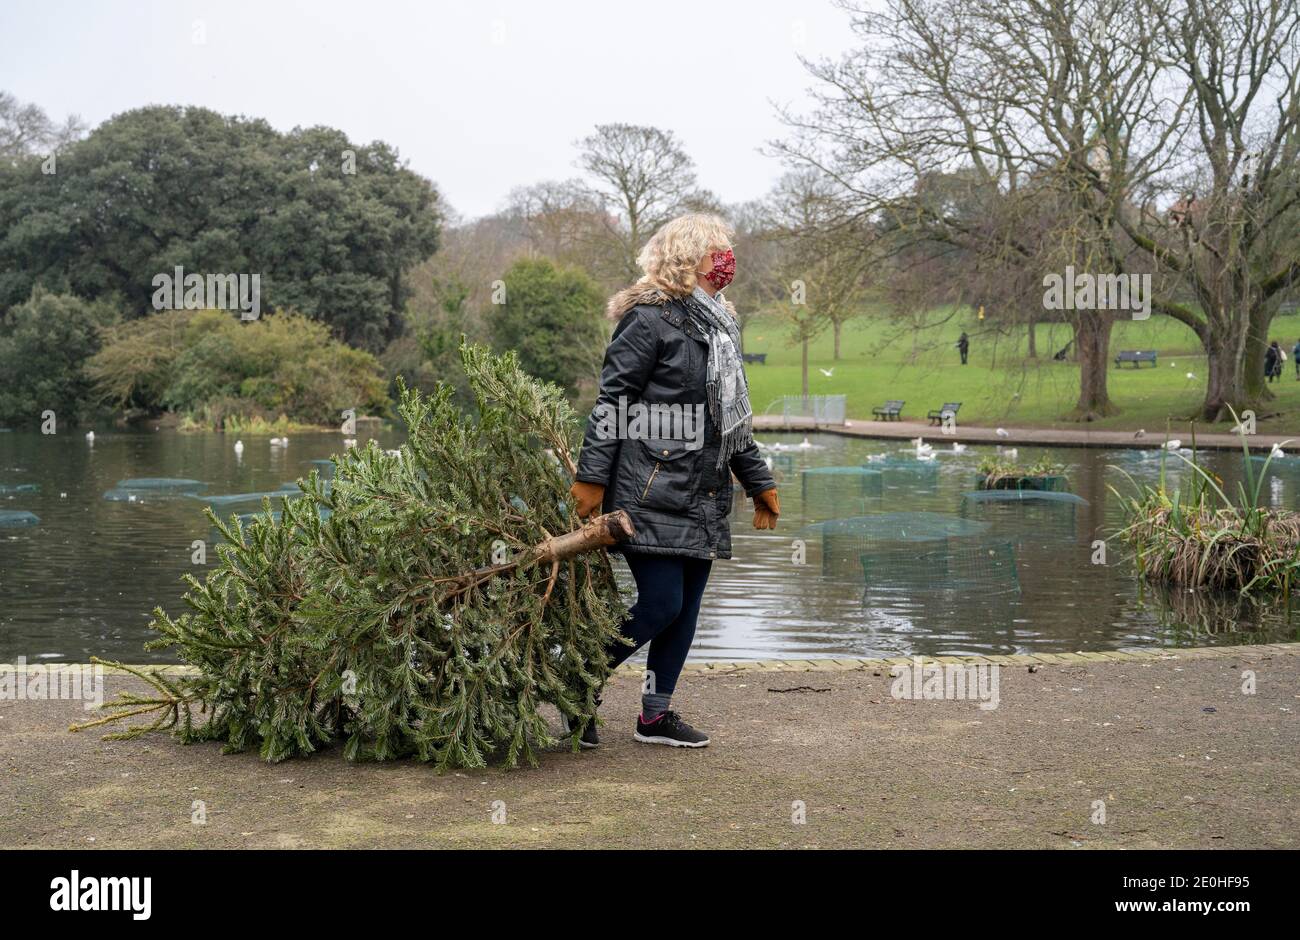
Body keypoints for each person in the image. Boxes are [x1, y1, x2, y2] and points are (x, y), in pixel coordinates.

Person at [568, 213, 778, 749]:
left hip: (705, 493)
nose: (728, 260)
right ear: (688, 258)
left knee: (684, 611)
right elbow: (612, 402)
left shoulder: (720, 325)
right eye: (718, 252)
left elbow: (729, 422)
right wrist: (592, 477)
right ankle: (577, 681)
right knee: (660, 604)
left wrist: (757, 480)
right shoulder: (648, 320)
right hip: (648, 487)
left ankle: (655, 717)